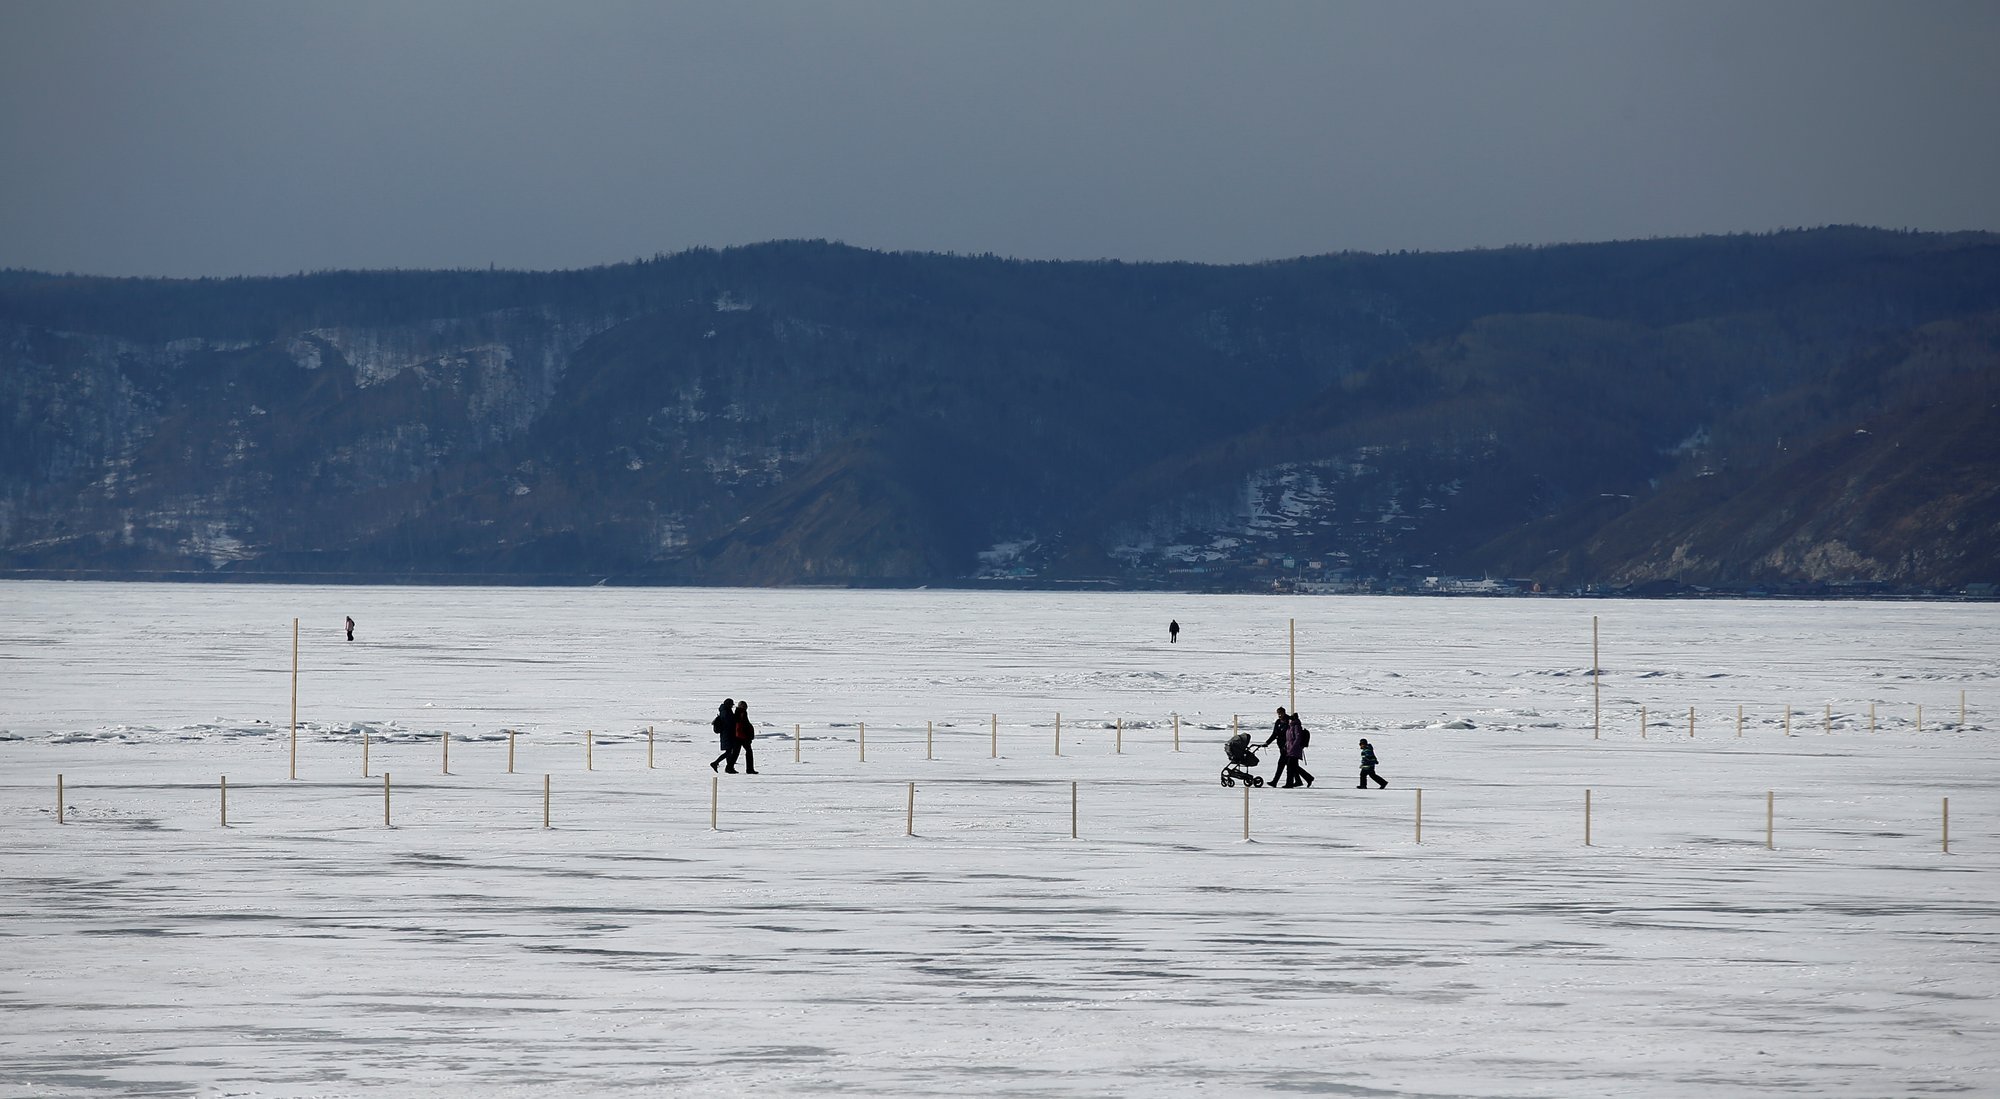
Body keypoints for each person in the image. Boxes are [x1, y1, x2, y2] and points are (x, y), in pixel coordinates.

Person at [1261, 706, 1295, 788]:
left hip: (1288, 747)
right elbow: (1274, 734)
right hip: (1281, 747)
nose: (1279, 715)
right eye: (1278, 714)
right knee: (1290, 765)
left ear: (1284, 713)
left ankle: (1277, 782)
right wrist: (1267, 742)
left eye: (1281, 713)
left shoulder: (1289, 721)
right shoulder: (1278, 722)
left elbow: (1291, 735)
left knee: (1283, 764)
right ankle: (1305, 779)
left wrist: (1288, 744)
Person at [1284, 712, 1315, 788]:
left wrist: (1293, 747)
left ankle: (1290, 783)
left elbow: (1298, 738)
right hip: (1290, 749)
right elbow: (1289, 739)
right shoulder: (1290, 727)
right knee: (1294, 766)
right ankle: (1307, 778)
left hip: (1294, 750)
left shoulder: (1296, 726)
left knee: (1290, 766)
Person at [709, 698, 737, 772]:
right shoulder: (726, 712)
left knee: (729, 751)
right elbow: (729, 723)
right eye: (731, 705)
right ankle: (715, 763)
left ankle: (729, 768)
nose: (732, 706)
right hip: (727, 734)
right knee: (729, 752)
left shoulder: (725, 711)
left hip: (727, 734)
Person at [734, 699, 759, 775]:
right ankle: (749, 769)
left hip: (740, 736)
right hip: (742, 736)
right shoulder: (741, 713)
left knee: (736, 752)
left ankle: (729, 767)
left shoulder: (739, 713)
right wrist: (748, 736)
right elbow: (743, 725)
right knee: (748, 752)